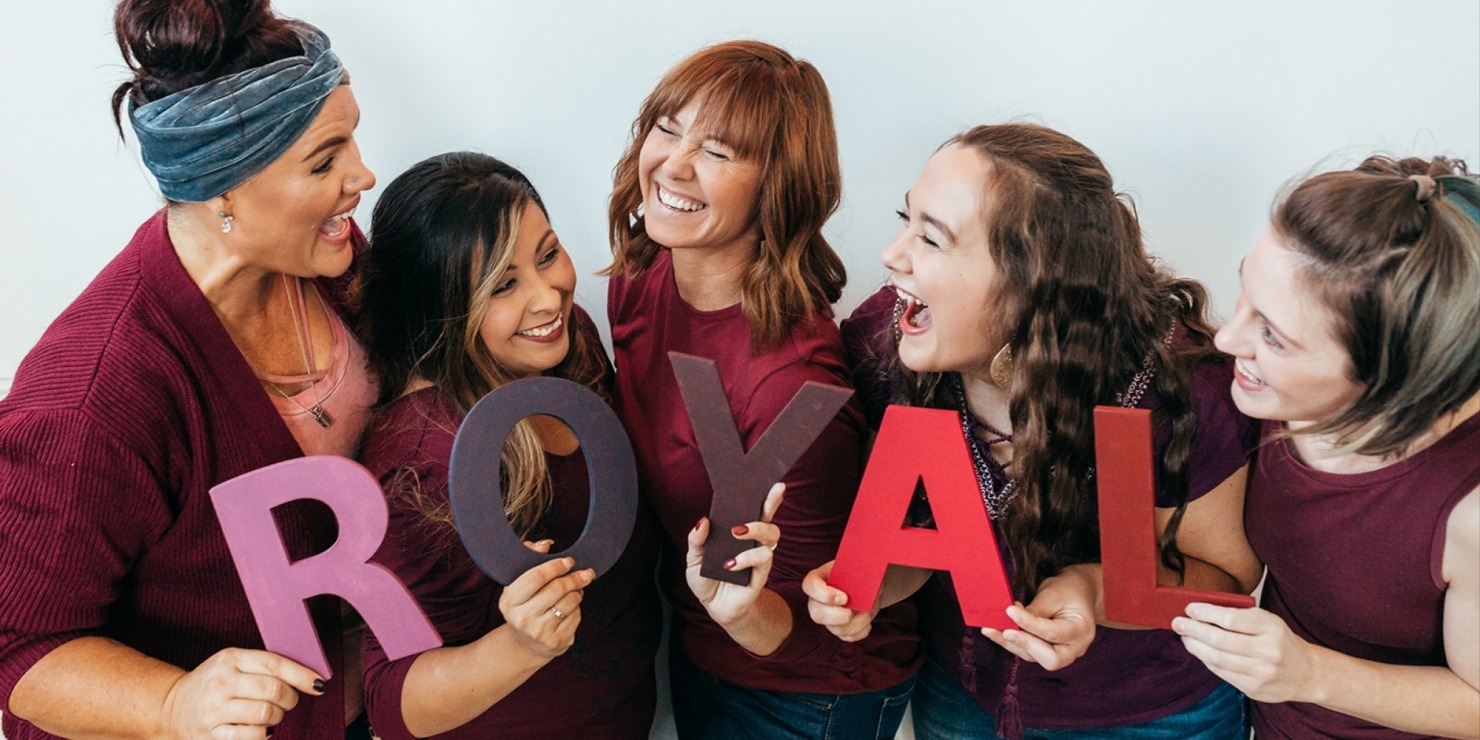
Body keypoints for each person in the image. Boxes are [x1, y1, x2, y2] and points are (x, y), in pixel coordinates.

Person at [804, 123, 1263, 738]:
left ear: (1032, 286)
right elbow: (925, 539)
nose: (892, 254)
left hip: (1154, 714)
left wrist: (1090, 590)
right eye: (904, 219)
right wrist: (864, 586)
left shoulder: (1183, 392)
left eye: (932, 239)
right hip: (966, 699)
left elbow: (1226, 580)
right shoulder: (884, 339)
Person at [0, 0, 377, 736]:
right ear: (225, 188)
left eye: (353, 140)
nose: (362, 176)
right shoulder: (91, 399)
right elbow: (17, 646)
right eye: (325, 159)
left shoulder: (328, 259)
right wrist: (174, 705)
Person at [604, 40, 920, 738]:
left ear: (776, 186)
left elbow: (814, 616)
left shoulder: (789, 383)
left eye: (719, 151)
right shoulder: (642, 275)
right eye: (667, 128)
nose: (675, 165)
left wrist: (739, 613)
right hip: (703, 651)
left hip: (809, 690)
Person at [354, 152, 661, 739]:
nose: (548, 298)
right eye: (502, 286)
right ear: (442, 311)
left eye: (547, 255)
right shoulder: (424, 462)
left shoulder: (570, 346)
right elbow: (391, 704)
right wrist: (520, 646)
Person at [1172, 157, 1480, 737]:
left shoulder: (1469, 508)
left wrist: (1309, 674)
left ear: (1390, 378)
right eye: (1244, 292)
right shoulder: (1263, 400)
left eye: (1274, 337)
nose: (1227, 339)